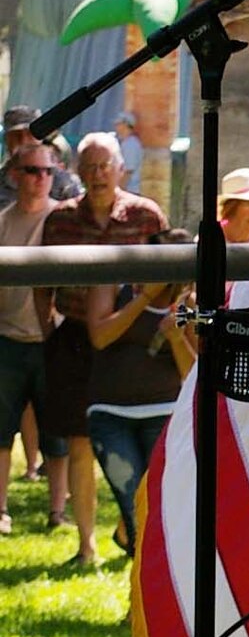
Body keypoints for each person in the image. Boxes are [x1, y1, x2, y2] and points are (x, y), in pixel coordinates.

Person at [36, 131, 167, 566]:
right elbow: (41, 285)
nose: (96, 175)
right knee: (78, 441)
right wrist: (46, 330)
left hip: (129, 337)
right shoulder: (60, 220)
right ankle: (86, 543)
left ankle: (132, 529)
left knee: (141, 443)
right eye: (89, 167)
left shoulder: (147, 216)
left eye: (104, 166)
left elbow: (169, 274)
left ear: (121, 169)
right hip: (74, 336)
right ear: (77, 172)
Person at [83, 230, 195, 557]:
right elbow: (100, 336)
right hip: (110, 413)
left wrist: (176, 339)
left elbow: (194, 375)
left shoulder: (189, 301)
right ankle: (141, 596)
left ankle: (143, 596)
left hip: (165, 413)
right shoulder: (114, 282)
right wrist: (144, 299)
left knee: (157, 506)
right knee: (134, 504)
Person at [0, 142, 69, 533]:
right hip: (7, 341)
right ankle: (0, 510)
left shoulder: (63, 221)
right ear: (15, 176)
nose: (41, 179)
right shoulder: (3, 223)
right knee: (0, 432)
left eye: (47, 171)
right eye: (32, 171)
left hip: (51, 342)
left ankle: (57, 511)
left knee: (56, 435)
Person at [0, 106, 83, 205]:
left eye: (30, 134)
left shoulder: (63, 182)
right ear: (7, 140)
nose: (24, 141)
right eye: (16, 135)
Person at [113, 112, 144, 188]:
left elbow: (128, 171)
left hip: (130, 190)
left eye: (118, 123)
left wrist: (118, 190)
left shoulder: (131, 144)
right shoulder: (124, 142)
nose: (116, 126)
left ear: (125, 125)